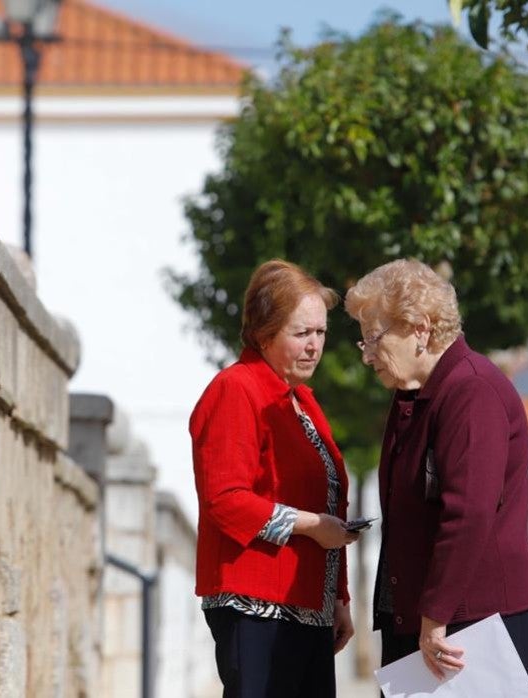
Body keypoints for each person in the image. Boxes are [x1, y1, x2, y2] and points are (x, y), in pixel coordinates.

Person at [343, 259, 528, 687]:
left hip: (472, 628)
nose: (368, 355)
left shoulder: (472, 391)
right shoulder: (414, 395)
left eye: (374, 339)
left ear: (420, 329)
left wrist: (434, 618)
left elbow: (468, 514)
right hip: (430, 623)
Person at [191, 259, 361, 698]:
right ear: (264, 333)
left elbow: (328, 506)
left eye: (321, 333)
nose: (314, 347)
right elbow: (225, 500)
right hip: (255, 611)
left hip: (308, 611)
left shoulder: (303, 400)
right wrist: (308, 525)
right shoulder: (235, 389)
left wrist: (337, 598)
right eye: (301, 333)